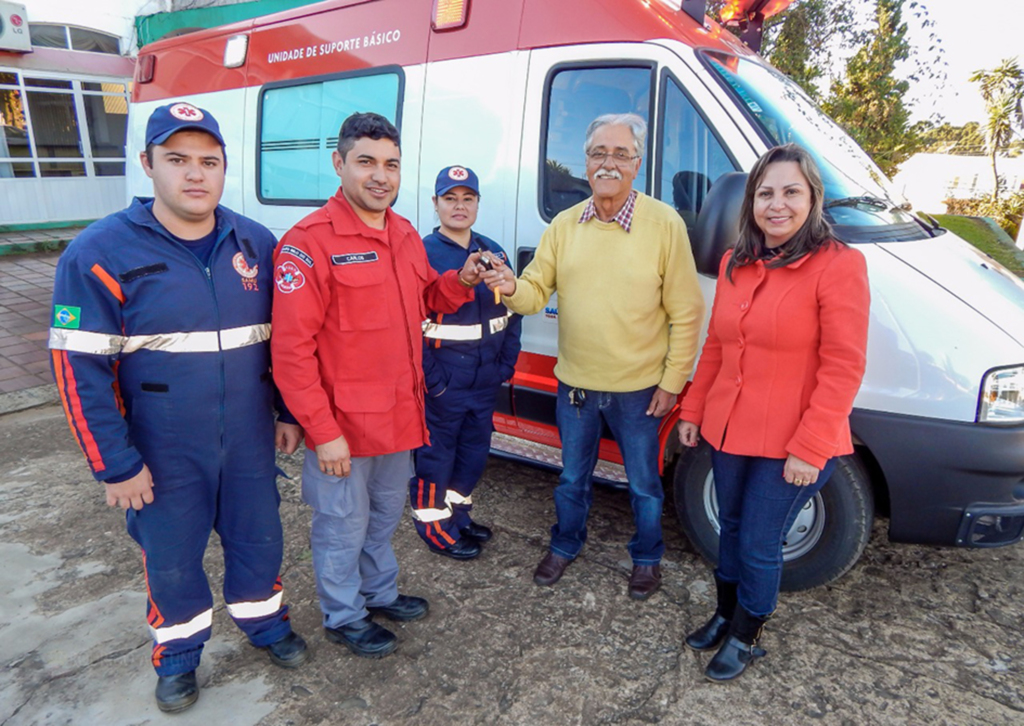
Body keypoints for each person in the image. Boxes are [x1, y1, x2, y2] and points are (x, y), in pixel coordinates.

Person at [48, 102, 307, 713]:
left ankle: (264, 624)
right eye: (178, 160)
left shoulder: (256, 243)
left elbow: (284, 345)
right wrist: (113, 462)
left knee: (260, 542)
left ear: (223, 169)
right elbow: (76, 370)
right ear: (147, 165)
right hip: (160, 450)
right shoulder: (97, 253)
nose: (196, 174)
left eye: (209, 162)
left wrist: (288, 412)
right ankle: (180, 656)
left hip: (247, 438)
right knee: (171, 560)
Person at [271, 113, 488, 658]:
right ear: (339, 163)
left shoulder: (403, 232)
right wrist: (323, 432)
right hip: (344, 428)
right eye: (366, 161)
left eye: (390, 164)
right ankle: (344, 615)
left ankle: (379, 592)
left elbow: (428, 299)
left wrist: (459, 280)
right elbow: (291, 352)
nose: (380, 176)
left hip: (399, 416)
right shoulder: (309, 243)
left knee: (385, 515)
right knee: (342, 525)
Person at [488, 113, 705, 600]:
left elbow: (687, 313)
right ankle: (565, 545)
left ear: (637, 164)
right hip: (577, 387)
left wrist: (672, 383)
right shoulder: (565, 225)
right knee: (571, 479)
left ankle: (647, 559)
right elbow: (533, 289)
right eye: (598, 153)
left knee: (646, 486)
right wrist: (509, 287)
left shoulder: (664, 224)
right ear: (585, 163)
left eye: (620, 154)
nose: (608, 163)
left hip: (641, 391)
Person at [676, 143, 870, 682]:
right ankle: (724, 613)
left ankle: (747, 635)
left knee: (760, 541)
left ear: (812, 198)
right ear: (750, 201)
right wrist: (694, 409)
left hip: (793, 442)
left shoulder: (840, 266)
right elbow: (716, 346)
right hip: (731, 429)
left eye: (790, 192)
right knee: (730, 529)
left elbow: (843, 367)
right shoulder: (735, 263)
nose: (776, 204)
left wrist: (811, 447)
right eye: (765, 193)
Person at [410, 165, 523, 559]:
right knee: (436, 456)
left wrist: (506, 365)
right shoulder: (422, 254)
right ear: (435, 204)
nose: (459, 206)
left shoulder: (495, 251)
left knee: (473, 454)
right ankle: (433, 525)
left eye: (467, 198)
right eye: (450, 198)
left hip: (486, 378)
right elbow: (409, 325)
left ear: (477, 203)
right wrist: (433, 379)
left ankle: (458, 514)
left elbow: (513, 310)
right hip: (445, 379)